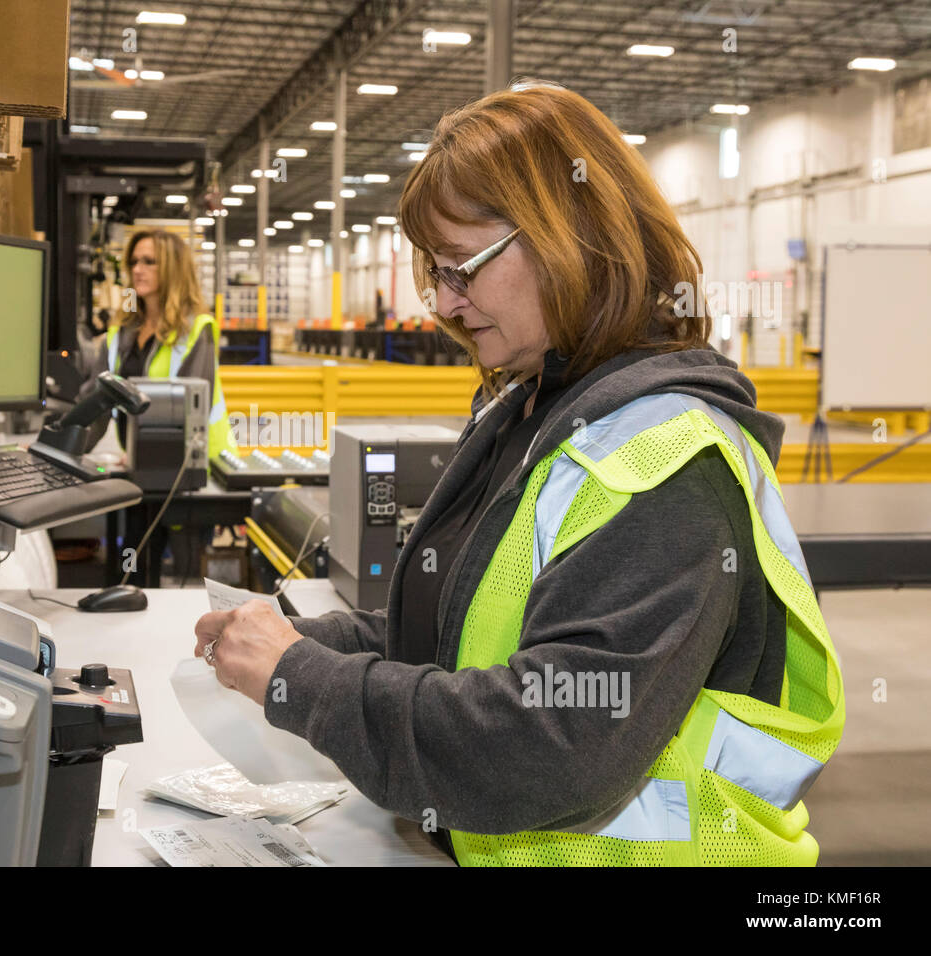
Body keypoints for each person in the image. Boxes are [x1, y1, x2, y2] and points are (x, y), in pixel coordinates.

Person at [192, 82, 845, 866]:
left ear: (570, 235)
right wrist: (306, 640)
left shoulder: (671, 462)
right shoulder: (536, 412)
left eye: (461, 269)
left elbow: (549, 743)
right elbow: (468, 630)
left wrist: (306, 680)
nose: (442, 303)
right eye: (433, 274)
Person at [74, 228, 237, 463]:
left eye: (149, 262)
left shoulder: (197, 328)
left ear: (173, 270)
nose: (138, 270)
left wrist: (143, 453)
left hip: (200, 466)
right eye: (134, 262)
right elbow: (94, 405)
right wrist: (58, 445)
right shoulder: (121, 331)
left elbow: (190, 412)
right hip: (146, 462)